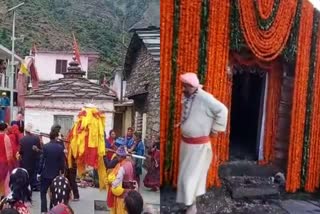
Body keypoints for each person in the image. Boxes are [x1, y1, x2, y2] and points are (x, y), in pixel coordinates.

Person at [176, 72, 228, 214]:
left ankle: (192, 207)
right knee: (185, 176)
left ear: (191, 86)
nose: (183, 89)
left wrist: (215, 129)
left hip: (198, 147)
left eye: (185, 86)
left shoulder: (205, 97)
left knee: (190, 177)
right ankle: (188, 204)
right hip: (187, 145)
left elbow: (223, 110)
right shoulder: (188, 96)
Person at [37, 131, 65, 214]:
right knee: (53, 193)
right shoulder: (60, 148)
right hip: (55, 174)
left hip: (45, 173)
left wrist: (39, 172)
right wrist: (62, 172)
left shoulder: (45, 147)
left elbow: (42, 161)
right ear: (56, 137)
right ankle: (51, 209)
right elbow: (62, 162)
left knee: (43, 192)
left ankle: (43, 211)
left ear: (49, 137)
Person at [106, 146, 135, 214]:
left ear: (121, 157)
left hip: (121, 194)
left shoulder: (121, 166)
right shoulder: (129, 164)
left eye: (117, 156)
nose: (116, 158)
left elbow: (115, 182)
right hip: (128, 191)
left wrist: (110, 182)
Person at [18, 124, 41, 191]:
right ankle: (33, 186)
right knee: (33, 174)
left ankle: (26, 187)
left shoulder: (22, 139)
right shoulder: (36, 138)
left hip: (25, 160)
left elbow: (21, 151)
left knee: (26, 174)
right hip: (34, 160)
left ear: (25, 131)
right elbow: (39, 149)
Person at [0, 123, 14, 198]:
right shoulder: (6, 137)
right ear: (5, 129)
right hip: (3, 163)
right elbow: (9, 153)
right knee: (5, 182)